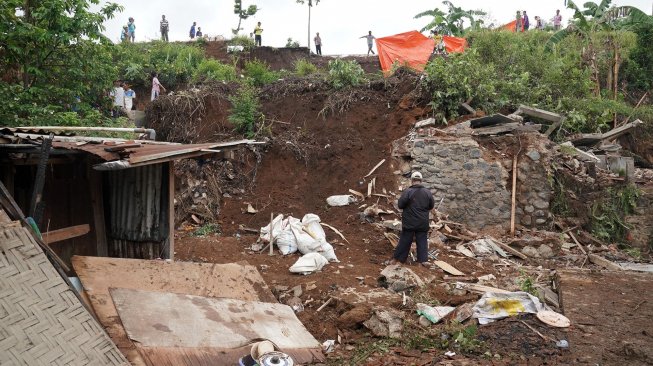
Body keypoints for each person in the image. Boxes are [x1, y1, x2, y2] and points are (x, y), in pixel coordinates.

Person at [390, 172, 435, 267]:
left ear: (412, 180)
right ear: (421, 180)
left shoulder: (408, 192)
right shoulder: (427, 192)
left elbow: (400, 205)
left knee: (405, 240)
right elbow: (431, 206)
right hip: (423, 222)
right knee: (422, 240)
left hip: (409, 222)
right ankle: (422, 261)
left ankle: (399, 259)